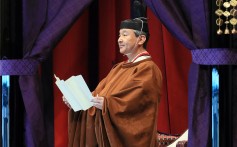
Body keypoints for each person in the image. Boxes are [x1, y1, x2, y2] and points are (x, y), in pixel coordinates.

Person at [65, 17, 162, 147]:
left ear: (141, 39)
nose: (119, 39)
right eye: (119, 35)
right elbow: (96, 96)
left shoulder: (147, 69)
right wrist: (77, 102)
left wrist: (108, 104)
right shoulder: (119, 68)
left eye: (125, 35)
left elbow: (136, 106)